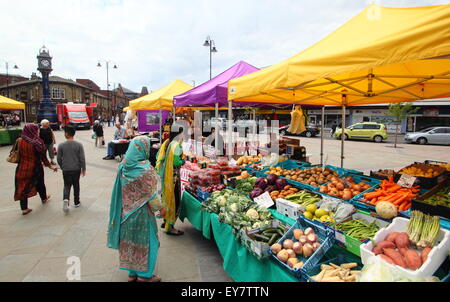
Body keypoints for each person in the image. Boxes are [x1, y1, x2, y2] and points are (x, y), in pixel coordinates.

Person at [107, 136, 165, 282]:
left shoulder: (123, 166)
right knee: (148, 242)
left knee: (130, 242)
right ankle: (145, 276)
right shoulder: (145, 168)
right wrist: (160, 209)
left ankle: (132, 273)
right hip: (142, 214)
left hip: (125, 213)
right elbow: (150, 195)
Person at [14, 124, 58, 215]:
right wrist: (50, 166)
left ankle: (24, 208)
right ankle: (44, 198)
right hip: (35, 167)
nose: (38, 132)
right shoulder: (37, 142)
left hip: (22, 167)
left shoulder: (19, 140)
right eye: (37, 130)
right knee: (40, 183)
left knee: (22, 186)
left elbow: (14, 152)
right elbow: (43, 157)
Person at [155, 129, 185, 235]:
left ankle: (166, 221)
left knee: (167, 199)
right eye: (182, 133)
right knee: (174, 201)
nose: (184, 135)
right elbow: (177, 161)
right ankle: (170, 227)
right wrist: (183, 161)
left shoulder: (171, 143)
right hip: (174, 178)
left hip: (168, 177)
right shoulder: (176, 145)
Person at [57, 126, 86, 213]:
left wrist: (62, 166)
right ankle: (76, 202)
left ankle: (66, 199)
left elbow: (58, 159)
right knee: (76, 185)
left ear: (66, 134)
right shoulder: (79, 145)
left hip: (66, 169)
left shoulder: (61, 145)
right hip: (76, 168)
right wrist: (83, 168)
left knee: (67, 185)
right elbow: (82, 158)